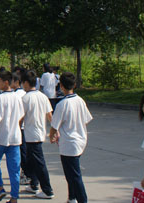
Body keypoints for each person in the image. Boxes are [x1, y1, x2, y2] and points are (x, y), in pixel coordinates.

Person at [50, 72, 92, 203]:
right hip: (80, 140)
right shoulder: (80, 100)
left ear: (61, 86)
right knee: (72, 172)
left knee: (74, 176)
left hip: (69, 143)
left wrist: (52, 136)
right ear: (74, 85)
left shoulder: (62, 104)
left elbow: (54, 125)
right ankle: (72, 197)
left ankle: (82, 200)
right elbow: (86, 119)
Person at [0, 71, 24, 203]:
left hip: (1, 137)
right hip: (15, 137)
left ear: (6, 82)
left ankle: (0, 187)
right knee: (14, 169)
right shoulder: (18, 97)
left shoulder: (0, 98)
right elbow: (21, 115)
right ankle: (14, 197)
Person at [21, 70, 54, 199]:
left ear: (26, 83)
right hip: (39, 132)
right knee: (32, 161)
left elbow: (20, 117)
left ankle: (47, 190)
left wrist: (16, 128)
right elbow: (49, 115)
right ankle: (34, 184)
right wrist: (54, 130)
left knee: (39, 163)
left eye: (23, 83)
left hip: (31, 134)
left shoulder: (26, 98)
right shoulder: (43, 96)